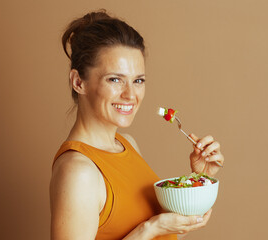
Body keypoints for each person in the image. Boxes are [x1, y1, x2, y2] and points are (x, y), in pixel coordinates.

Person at [49, 9, 224, 240]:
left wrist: (199, 180)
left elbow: (164, 236)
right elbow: (154, 231)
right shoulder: (78, 172)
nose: (130, 95)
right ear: (78, 82)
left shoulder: (127, 144)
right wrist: (150, 229)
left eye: (138, 80)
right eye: (115, 79)